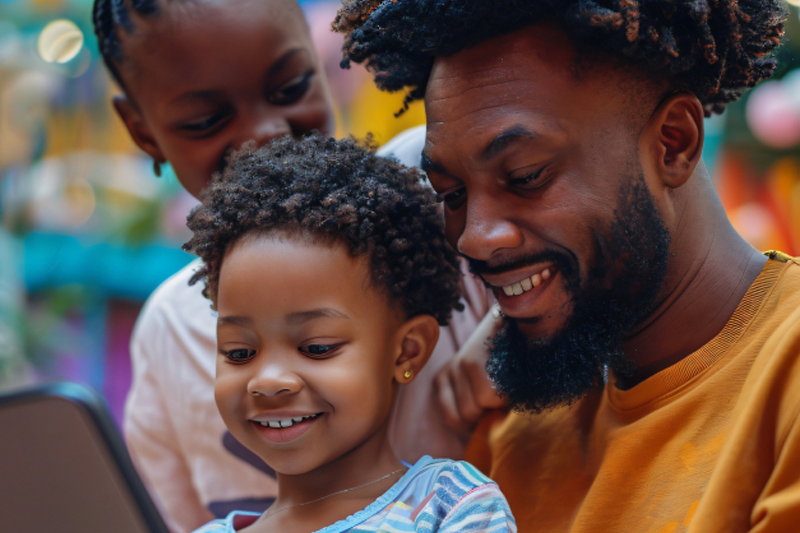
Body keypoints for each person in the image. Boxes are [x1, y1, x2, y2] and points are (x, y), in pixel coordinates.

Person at [334, 1, 800, 532]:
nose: (476, 237)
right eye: (453, 193)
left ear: (674, 143)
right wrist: (439, 430)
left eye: (527, 176)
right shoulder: (507, 422)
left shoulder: (786, 379)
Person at [91, 1, 492, 531]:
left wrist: (514, 332)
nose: (266, 132)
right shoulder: (169, 335)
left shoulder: (443, 200)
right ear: (142, 131)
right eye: (207, 120)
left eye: (290, 88)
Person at [183, 133, 515, 533]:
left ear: (406, 351)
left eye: (316, 347)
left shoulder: (450, 506)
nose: (267, 381)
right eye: (238, 353)